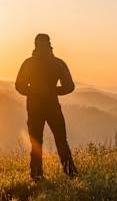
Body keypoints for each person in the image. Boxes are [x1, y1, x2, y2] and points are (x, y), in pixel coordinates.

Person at [15, 33, 78, 180]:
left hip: (34, 107)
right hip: (53, 106)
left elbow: (19, 86)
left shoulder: (28, 63)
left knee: (36, 142)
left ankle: (37, 175)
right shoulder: (58, 63)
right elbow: (69, 86)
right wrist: (53, 91)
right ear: (50, 44)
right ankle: (71, 173)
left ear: (35, 44)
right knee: (61, 141)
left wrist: (33, 92)